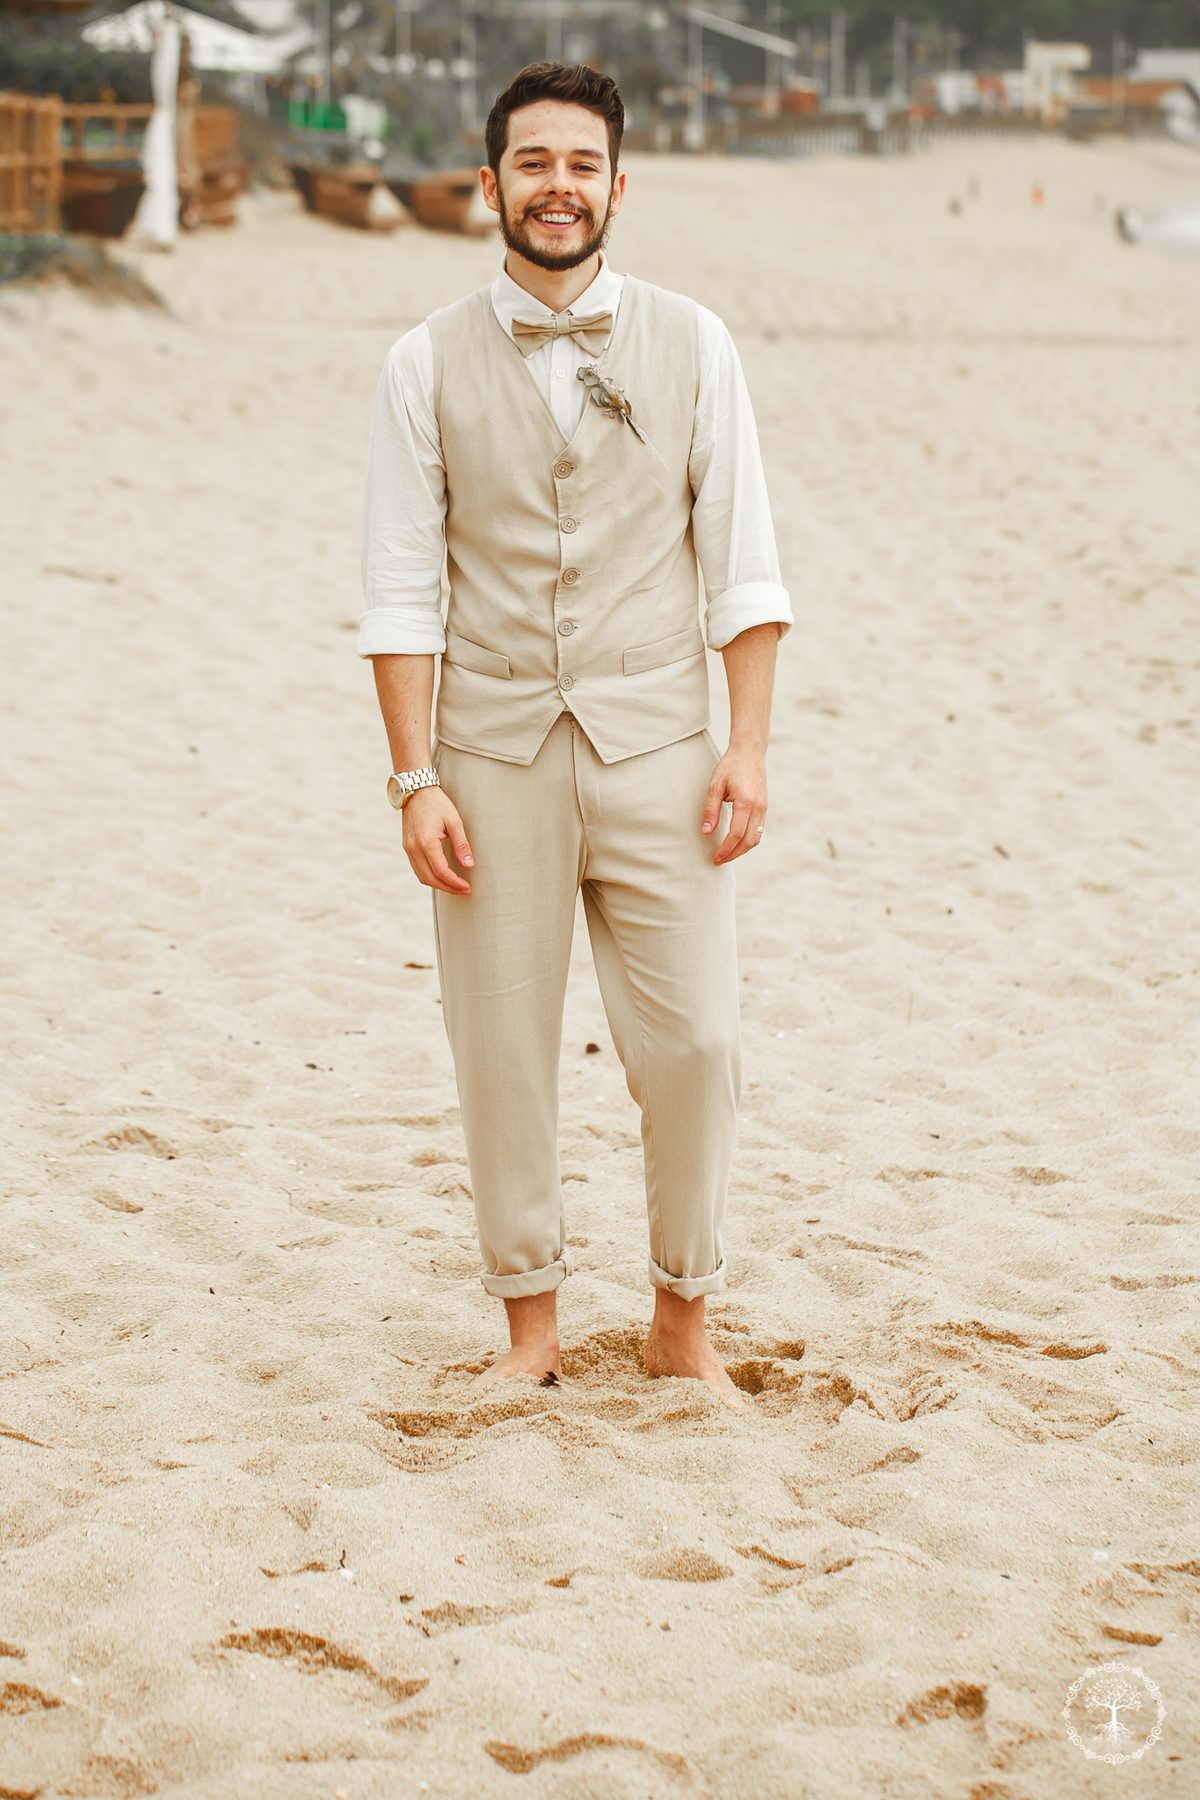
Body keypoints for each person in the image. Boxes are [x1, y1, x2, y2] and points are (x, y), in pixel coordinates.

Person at [359, 62, 792, 1405]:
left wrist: (747, 746)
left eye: (582, 164)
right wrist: (415, 775)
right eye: (532, 163)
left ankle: (682, 1317)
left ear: (618, 185)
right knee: (501, 1047)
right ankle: (530, 1333)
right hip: (487, 752)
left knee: (699, 1045)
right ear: (490, 186)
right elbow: (397, 588)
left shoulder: (697, 342)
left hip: (661, 740)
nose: (559, 186)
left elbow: (745, 568)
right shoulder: (420, 362)